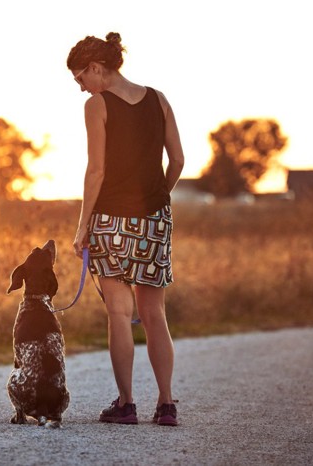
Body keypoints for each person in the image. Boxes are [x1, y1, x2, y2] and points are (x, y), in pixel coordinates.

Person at [66, 32, 185, 426]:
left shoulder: (97, 105)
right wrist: (158, 198)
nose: (80, 86)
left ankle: (126, 404)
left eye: (80, 77)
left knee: (119, 314)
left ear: (97, 68)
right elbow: (179, 160)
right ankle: (167, 404)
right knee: (155, 315)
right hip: (155, 219)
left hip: (111, 220)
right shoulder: (158, 98)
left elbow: (96, 170)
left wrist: (82, 227)